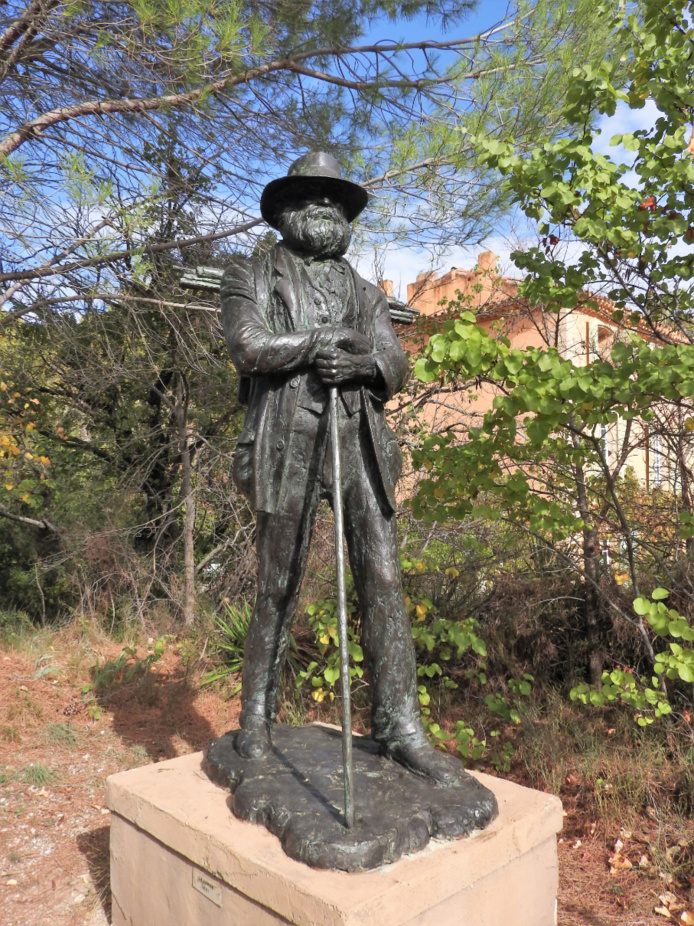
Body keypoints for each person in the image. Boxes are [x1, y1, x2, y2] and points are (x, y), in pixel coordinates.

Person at [220, 152, 464, 785]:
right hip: (289, 438)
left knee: (383, 579)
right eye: (311, 198)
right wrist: (318, 344)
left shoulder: (363, 291)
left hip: (358, 440)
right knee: (278, 582)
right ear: (284, 212)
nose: (326, 208)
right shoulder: (248, 274)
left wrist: (363, 367)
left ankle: (401, 727)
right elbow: (249, 348)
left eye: (337, 201)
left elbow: (394, 361)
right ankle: (256, 715)